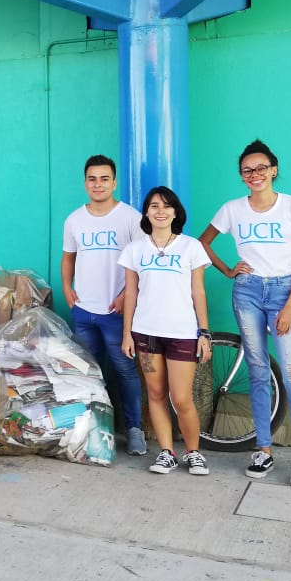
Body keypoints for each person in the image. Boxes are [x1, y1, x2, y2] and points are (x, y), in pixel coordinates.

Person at [199, 140, 291, 488]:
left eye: (261, 168)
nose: (255, 175)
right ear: (241, 176)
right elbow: (203, 242)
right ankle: (263, 449)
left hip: (284, 292)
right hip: (248, 291)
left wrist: (289, 305)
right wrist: (226, 270)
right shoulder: (233, 209)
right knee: (257, 371)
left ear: (274, 170)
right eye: (247, 170)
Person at [119, 186, 213, 476]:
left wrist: (204, 333)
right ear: (146, 212)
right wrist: (127, 334)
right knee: (156, 394)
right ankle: (166, 452)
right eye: (154, 206)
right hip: (146, 335)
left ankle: (194, 452)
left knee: (181, 397)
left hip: (182, 333)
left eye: (166, 206)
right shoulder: (135, 249)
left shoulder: (190, 247)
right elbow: (131, 294)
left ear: (176, 212)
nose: (160, 211)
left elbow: (198, 292)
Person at [61, 154, 147, 456]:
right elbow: (68, 257)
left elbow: (141, 262)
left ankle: (134, 430)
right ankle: (95, 431)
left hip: (116, 313)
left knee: (125, 371)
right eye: (92, 179)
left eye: (104, 178)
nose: (98, 184)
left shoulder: (131, 218)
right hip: (84, 312)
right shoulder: (74, 219)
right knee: (89, 373)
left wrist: (126, 293)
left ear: (115, 182)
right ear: (85, 182)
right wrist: (67, 288)